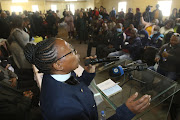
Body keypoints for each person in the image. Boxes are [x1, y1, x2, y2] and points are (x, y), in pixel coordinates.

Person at [24, 37, 151, 120]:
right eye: (72, 51)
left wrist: (88, 74)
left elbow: (74, 84)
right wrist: (126, 112)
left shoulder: (56, 75)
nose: (77, 52)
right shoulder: (63, 107)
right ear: (58, 64)